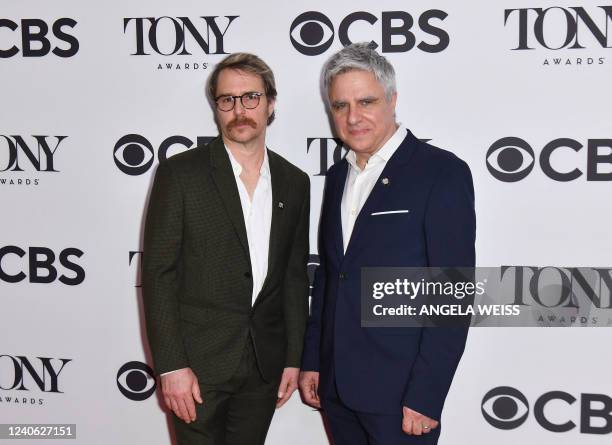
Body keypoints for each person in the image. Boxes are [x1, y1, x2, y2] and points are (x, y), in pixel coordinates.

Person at [299, 43, 476, 444]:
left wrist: (427, 394)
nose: (353, 117)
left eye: (366, 101)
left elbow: (452, 291)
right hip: (337, 389)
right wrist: (313, 359)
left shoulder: (441, 172)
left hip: (401, 398)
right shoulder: (337, 177)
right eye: (340, 105)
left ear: (393, 99)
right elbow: (329, 277)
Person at [142, 52, 310, 445]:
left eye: (250, 97)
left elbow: (293, 276)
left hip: (263, 365)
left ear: (270, 103)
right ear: (216, 108)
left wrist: (293, 357)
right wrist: (171, 367)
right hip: (196, 367)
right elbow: (158, 275)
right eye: (227, 100)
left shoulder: (295, 181)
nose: (239, 110)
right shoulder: (181, 174)